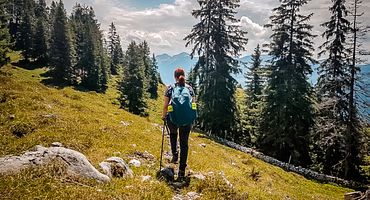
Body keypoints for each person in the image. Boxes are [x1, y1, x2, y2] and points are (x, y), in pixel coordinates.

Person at [162, 68, 195, 180]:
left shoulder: (170, 88)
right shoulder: (189, 89)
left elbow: (166, 105)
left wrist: (164, 115)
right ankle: (181, 170)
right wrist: (192, 117)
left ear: (175, 76)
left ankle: (175, 155)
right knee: (184, 143)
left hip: (173, 118)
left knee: (172, 134)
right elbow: (193, 104)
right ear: (183, 76)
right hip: (187, 119)